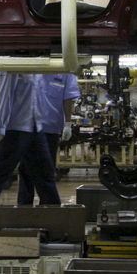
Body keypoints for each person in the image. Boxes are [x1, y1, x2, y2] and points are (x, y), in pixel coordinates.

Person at [0, 74, 61, 227]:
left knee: (46, 172)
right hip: (17, 128)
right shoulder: (15, 68)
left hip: (35, 127)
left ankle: (57, 216)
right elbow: (5, 95)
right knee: (2, 170)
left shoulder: (38, 70)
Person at [17, 74, 80, 205]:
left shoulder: (65, 71)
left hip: (50, 128)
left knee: (47, 169)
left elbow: (68, 98)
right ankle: (24, 206)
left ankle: (47, 206)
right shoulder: (33, 66)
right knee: (25, 169)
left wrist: (68, 123)